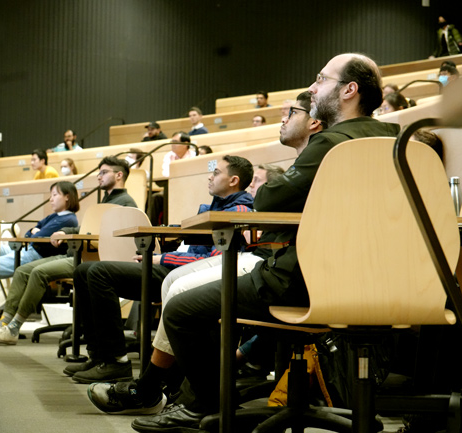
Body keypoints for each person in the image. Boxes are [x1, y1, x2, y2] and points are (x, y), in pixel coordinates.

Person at [130, 53, 401, 432]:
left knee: (181, 310)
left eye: (321, 79)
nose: (312, 87)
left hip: (303, 281)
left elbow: (268, 199)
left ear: (349, 91)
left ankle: (203, 406)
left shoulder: (331, 144)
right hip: (378, 282)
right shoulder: (399, 142)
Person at [86, 91, 324, 416]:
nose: (210, 177)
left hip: (289, 275)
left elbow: (253, 222)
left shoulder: (299, 172)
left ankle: (184, 396)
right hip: (274, 267)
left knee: (179, 291)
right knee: (161, 282)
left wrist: (161, 258)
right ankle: (164, 388)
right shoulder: (294, 169)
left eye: (291, 112)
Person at [65, 155, 255, 387]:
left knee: (99, 273)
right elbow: (193, 242)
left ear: (234, 180)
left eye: (216, 173)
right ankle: (99, 356)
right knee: (83, 271)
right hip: (176, 268)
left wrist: (161, 258)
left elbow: (214, 261)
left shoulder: (237, 211)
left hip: (188, 278)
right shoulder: (217, 206)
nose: (210, 176)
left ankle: (116, 361)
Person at [0, 159, 137, 345]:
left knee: (39, 272)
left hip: (92, 258)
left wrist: (70, 232)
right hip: (76, 253)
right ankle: (5, 322)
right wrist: (66, 232)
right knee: (23, 271)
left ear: (119, 175)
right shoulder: (108, 200)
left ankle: (13, 328)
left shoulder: (124, 203)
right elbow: (88, 229)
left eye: (103, 172)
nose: (98, 176)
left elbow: (111, 237)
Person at [0, 181, 80, 279]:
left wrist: (36, 232)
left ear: (67, 197)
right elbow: (29, 233)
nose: (51, 199)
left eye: (55, 195)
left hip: (36, 255)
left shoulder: (68, 220)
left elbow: (36, 236)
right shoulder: (54, 216)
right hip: (28, 249)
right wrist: (34, 232)